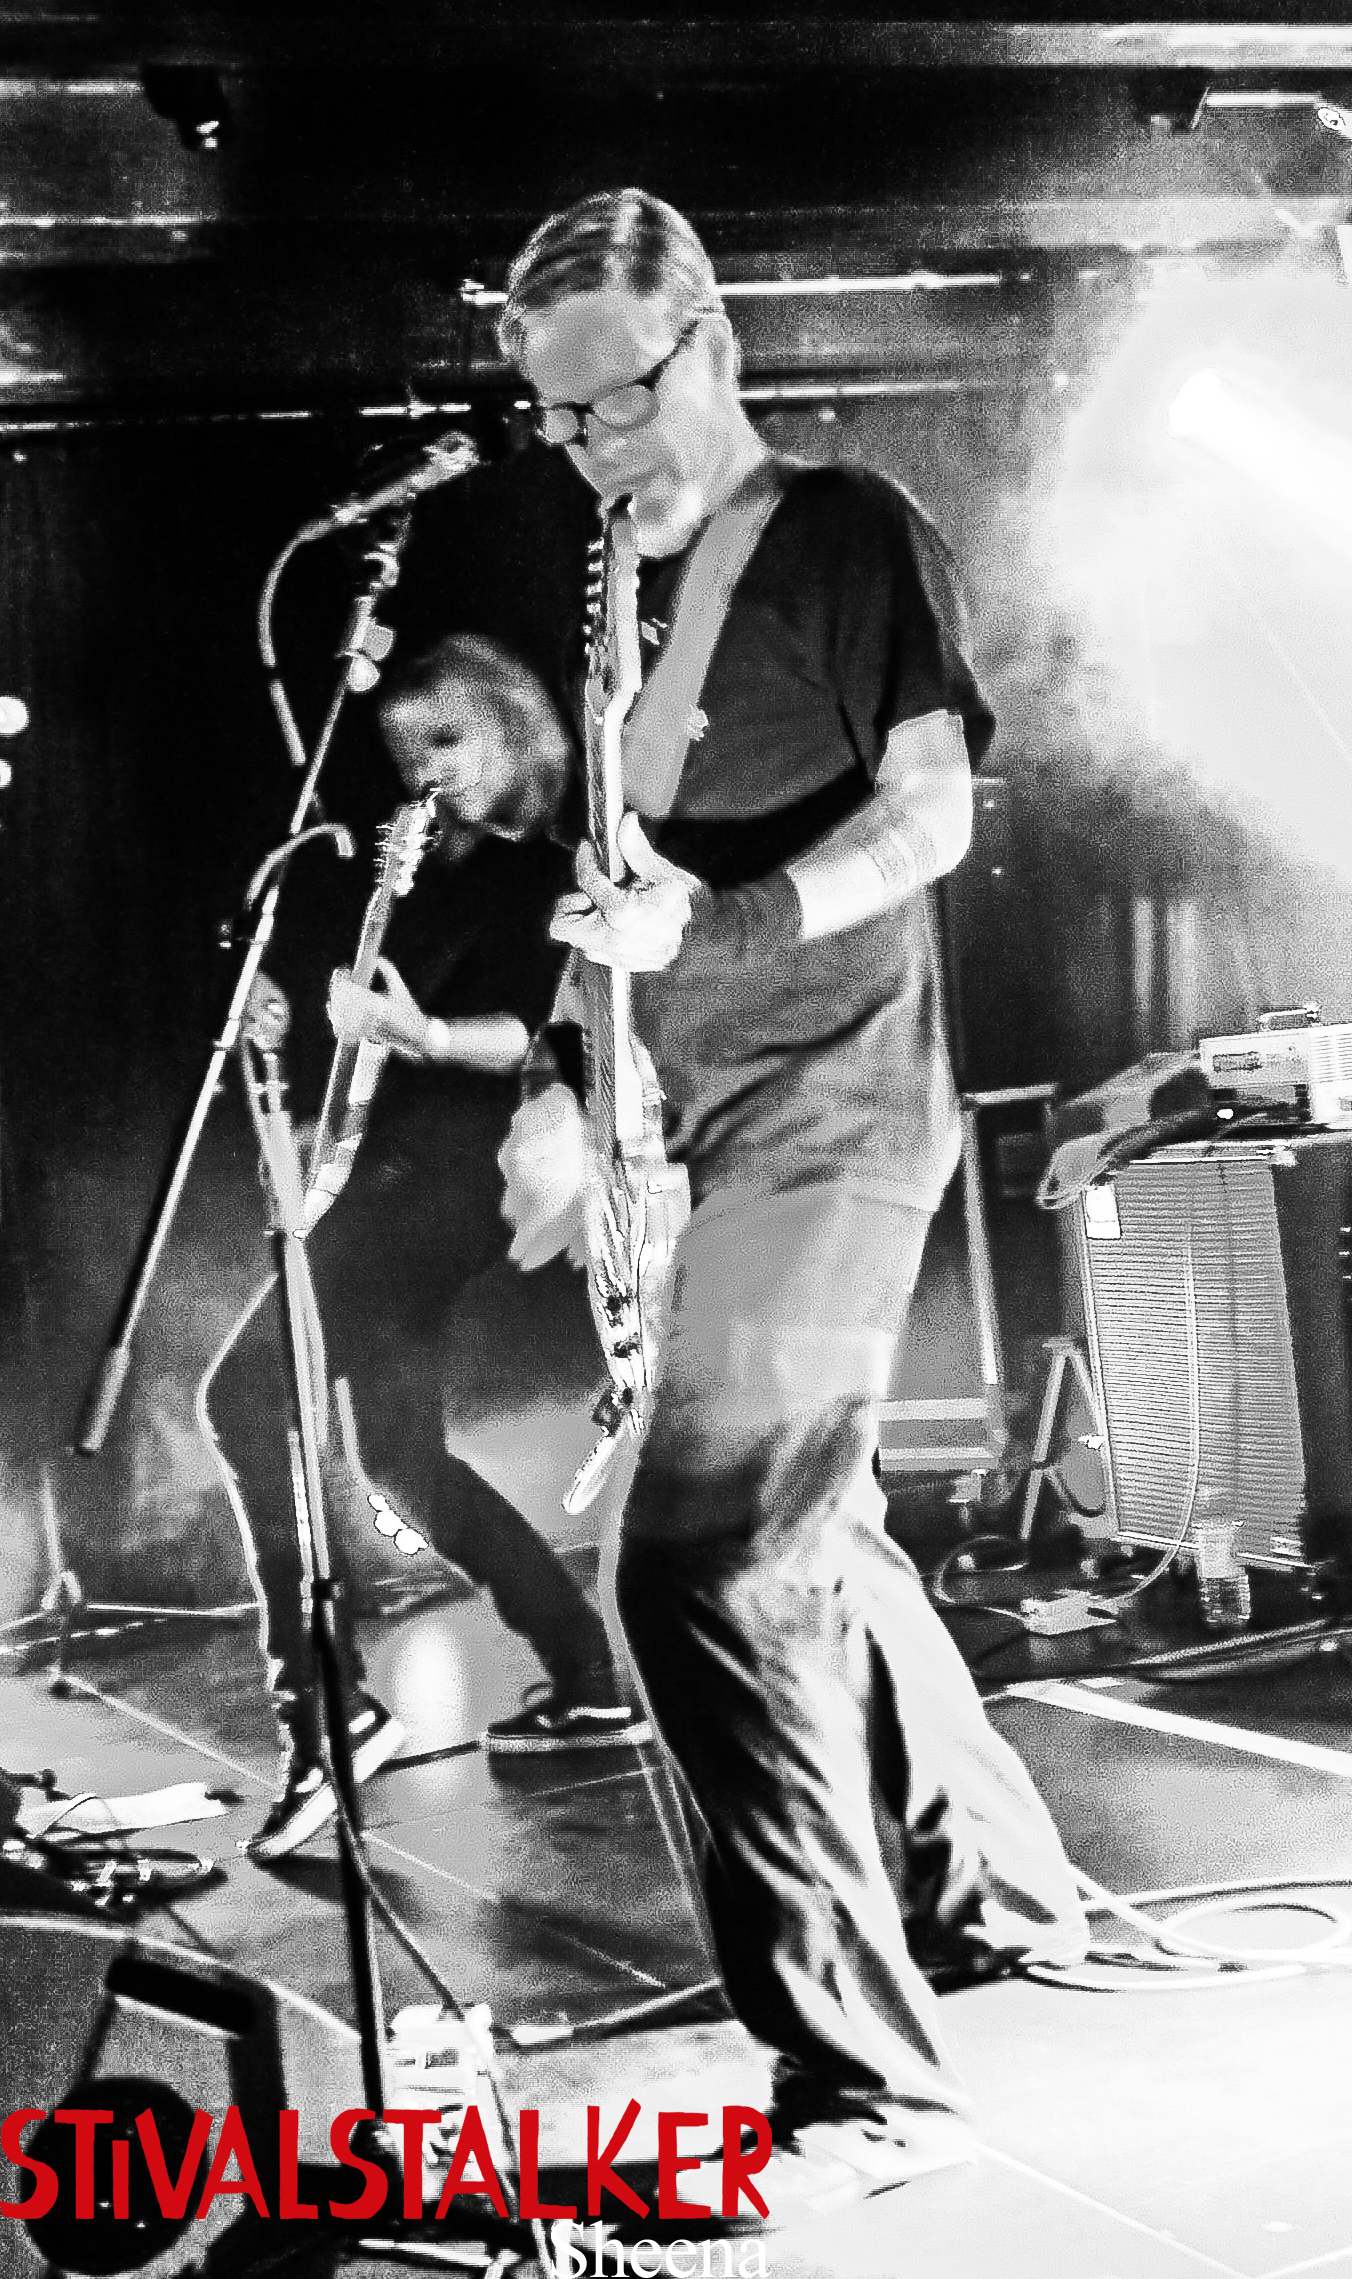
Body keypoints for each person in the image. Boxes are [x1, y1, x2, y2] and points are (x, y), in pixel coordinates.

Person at [476, 188, 1089, 2214]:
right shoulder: (607, 591)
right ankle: (1002, 1891)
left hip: (838, 1122)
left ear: (713, 343)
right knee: (821, 1530)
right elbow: (618, 891)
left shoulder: (843, 532)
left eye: (619, 400)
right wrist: (566, 1087)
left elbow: (929, 814)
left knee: (704, 1560)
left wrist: (725, 925)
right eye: (556, 416)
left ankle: (863, 2079)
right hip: (700, 1135)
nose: (593, 447)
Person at [208, 636, 647, 1870]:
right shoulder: (413, 879)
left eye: (448, 739)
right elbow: (365, 1037)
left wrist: (421, 1033)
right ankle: (585, 1670)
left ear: (514, 733)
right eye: (407, 751)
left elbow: (548, 1033)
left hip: (448, 1182)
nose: (425, 771)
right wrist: (292, 1024)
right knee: (400, 1461)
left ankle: (325, 1706)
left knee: (246, 1399)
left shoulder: (543, 870)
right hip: (387, 1179)